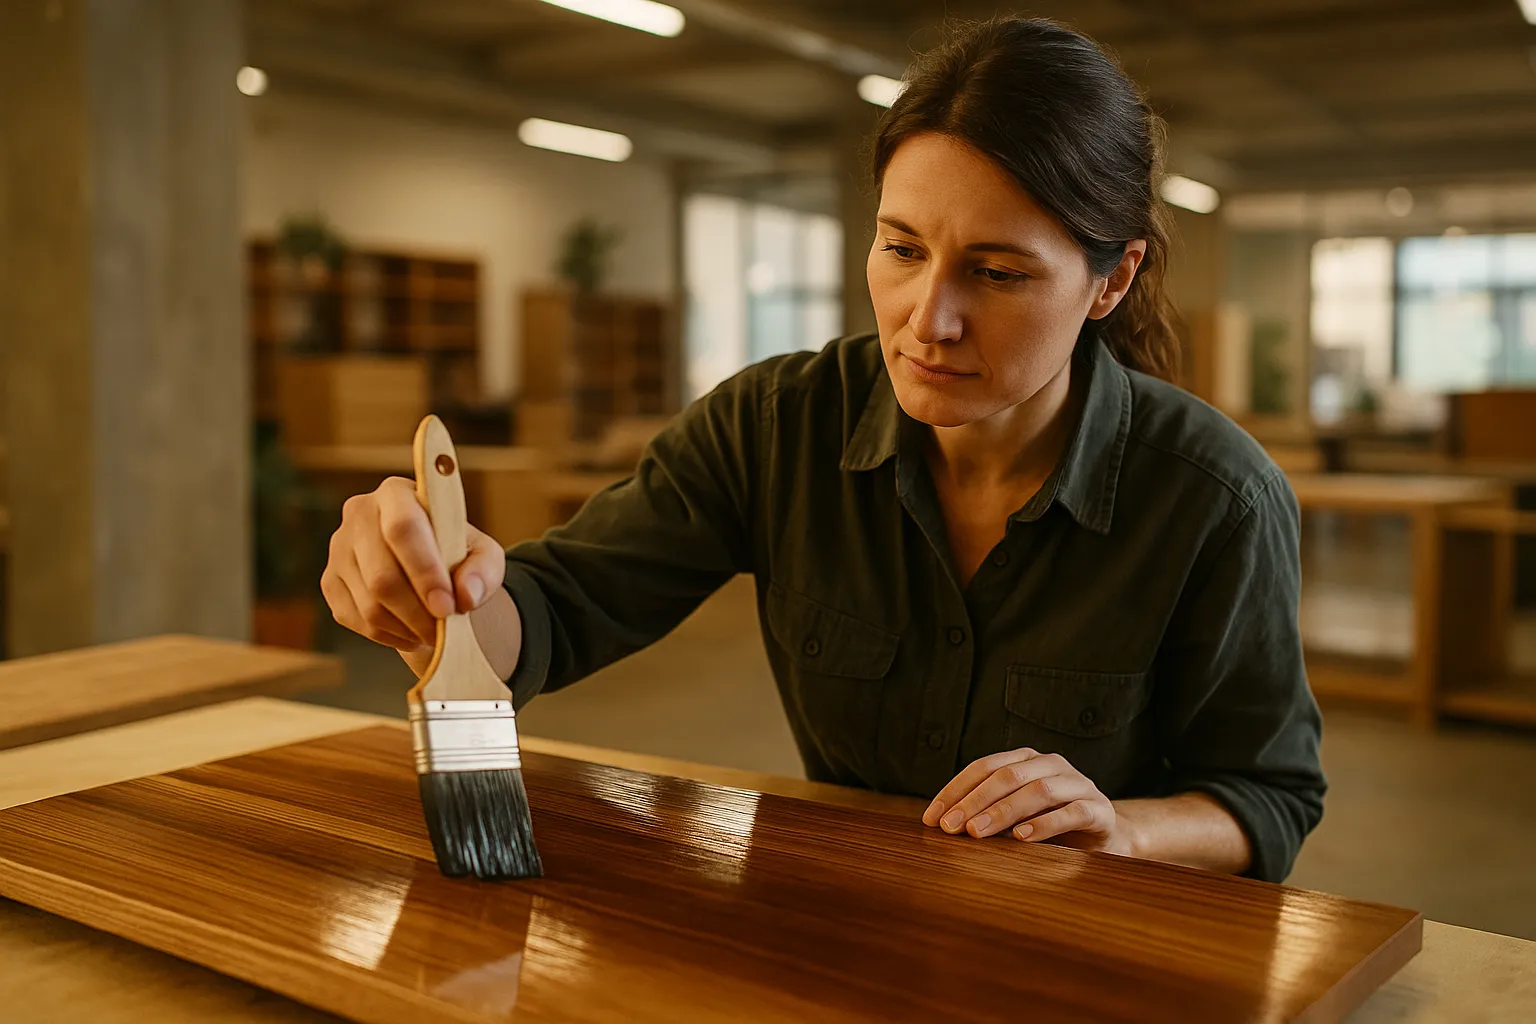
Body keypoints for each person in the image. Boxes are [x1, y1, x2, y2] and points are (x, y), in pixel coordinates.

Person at [321, 16, 1324, 883]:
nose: (929, 319)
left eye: (999, 272)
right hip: (851, 935)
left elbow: (1267, 794)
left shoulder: (1213, 497)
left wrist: (1126, 830)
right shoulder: (774, 423)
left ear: (1111, 280)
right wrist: (437, 596)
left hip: (1100, 957)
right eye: (901, 248)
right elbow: (556, 612)